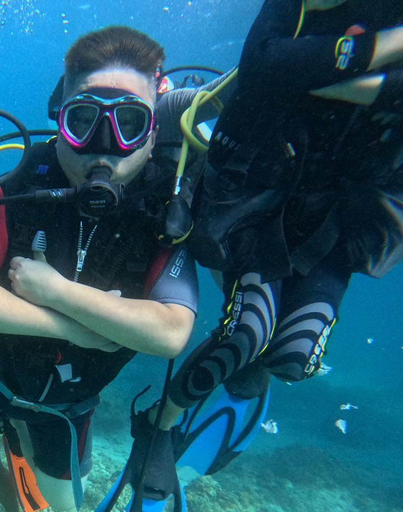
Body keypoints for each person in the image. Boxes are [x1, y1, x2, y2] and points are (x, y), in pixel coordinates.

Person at [0, 26, 202, 511]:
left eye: (130, 125)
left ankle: (19, 438)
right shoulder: (19, 183)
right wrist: (79, 329)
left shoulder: (167, 212)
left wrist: (56, 291)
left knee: (64, 508)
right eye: (83, 120)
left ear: (154, 131)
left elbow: (172, 333)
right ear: (60, 120)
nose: (105, 147)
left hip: (71, 405)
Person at [137, 0, 403, 499]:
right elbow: (265, 68)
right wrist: (389, 58)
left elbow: (286, 73)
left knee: (296, 357)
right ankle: (157, 425)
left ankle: (256, 366)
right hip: (259, 199)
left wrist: (323, 72)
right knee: (246, 333)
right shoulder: (293, 7)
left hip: (342, 217)